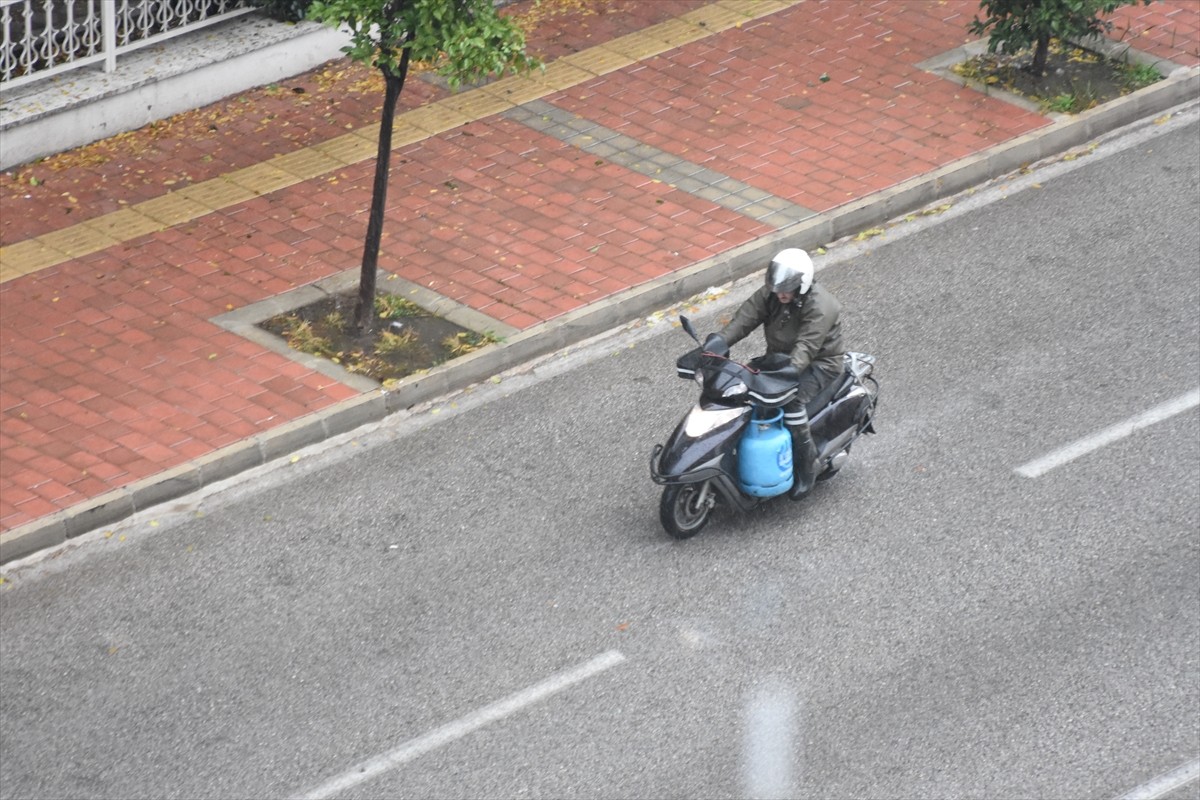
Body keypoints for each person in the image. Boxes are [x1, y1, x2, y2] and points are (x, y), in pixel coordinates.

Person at [718, 248, 845, 499]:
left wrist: (787, 374)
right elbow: (745, 318)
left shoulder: (821, 306)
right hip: (780, 360)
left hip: (819, 364)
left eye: (786, 287)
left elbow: (806, 348)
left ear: (803, 283)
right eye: (777, 286)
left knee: (791, 402)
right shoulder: (773, 294)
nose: (780, 293)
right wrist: (716, 344)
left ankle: (807, 467)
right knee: (741, 387)